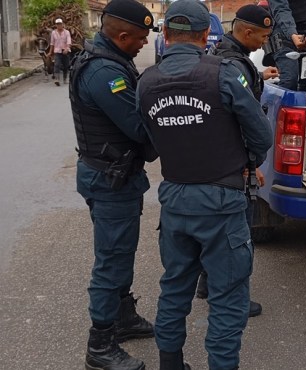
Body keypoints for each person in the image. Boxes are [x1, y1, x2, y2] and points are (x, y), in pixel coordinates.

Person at [136, 0, 273, 369]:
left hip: (176, 201)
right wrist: (250, 162)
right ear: (204, 35)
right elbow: (261, 135)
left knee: (175, 288)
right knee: (228, 298)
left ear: (165, 34)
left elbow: (147, 143)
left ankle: (170, 363)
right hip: (223, 201)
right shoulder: (223, 74)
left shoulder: (146, 81)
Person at [68, 0, 157, 369]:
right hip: (111, 180)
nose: (142, 45)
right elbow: (139, 128)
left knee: (120, 253)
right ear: (122, 36)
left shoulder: (106, 59)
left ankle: (122, 319)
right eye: (139, 39)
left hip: (113, 175)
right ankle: (100, 345)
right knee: (112, 260)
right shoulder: (106, 73)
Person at [199, 3, 279, 318]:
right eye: (263, 36)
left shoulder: (221, 56)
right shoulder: (235, 65)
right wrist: (253, 163)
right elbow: (244, 122)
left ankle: (206, 283)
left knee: (216, 232)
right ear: (246, 32)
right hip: (236, 163)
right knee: (238, 239)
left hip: (217, 160)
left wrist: (259, 74)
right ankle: (234, 301)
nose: (265, 42)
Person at [47, 18, 71, 86]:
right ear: (56, 25)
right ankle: (56, 79)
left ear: (62, 24)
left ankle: (65, 78)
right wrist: (50, 52)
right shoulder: (53, 33)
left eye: (60, 24)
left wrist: (67, 48)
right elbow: (52, 43)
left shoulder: (67, 32)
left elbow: (69, 42)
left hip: (65, 51)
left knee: (66, 66)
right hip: (57, 51)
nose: (59, 25)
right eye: (57, 24)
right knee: (56, 64)